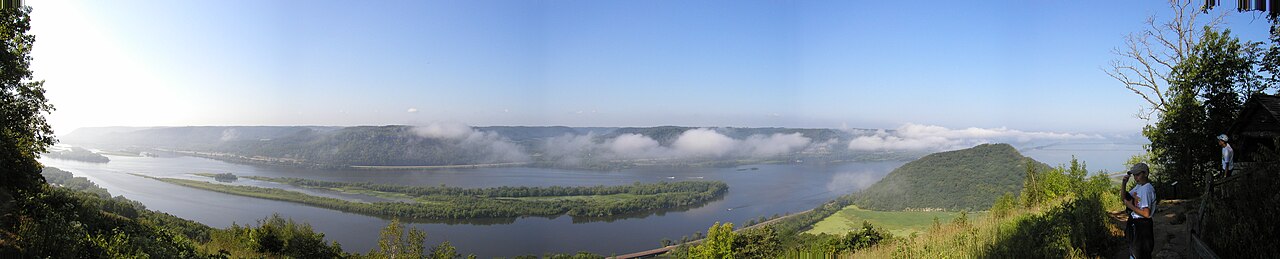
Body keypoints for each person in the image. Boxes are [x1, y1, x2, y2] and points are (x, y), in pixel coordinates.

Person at [1122, 163, 1156, 259]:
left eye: (1138, 174)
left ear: (1145, 174)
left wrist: (1130, 206)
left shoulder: (1146, 189)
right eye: (1134, 175)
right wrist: (1124, 183)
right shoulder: (1139, 186)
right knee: (1135, 252)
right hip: (1137, 224)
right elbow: (1123, 197)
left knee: (1140, 254)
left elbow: (1146, 213)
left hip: (1142, 226)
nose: (1135, 177)